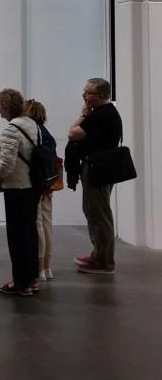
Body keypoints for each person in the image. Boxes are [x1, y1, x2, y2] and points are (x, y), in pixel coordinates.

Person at [68, 77, 123, 274]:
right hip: (100, 168)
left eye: (88, 93)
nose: (84, 96)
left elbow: (73, 133)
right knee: (94, 212)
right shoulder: (104, 113)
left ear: (101, 95)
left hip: (98, 169)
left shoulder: (101, 114)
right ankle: (98, 256)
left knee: (99, 215)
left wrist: (83, 114)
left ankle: (103, 261)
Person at [0, 88, 40, 297]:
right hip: (32, 186)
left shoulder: (11, 130)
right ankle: (32, 279)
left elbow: (7, 161)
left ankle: (20, 283)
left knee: (17, 236)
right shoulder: (31, 124)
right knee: (30, 233)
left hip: (16, 188)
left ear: (6, 107)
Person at [24, 99, 58, 280]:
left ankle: (38, 268)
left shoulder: (34, 133)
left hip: (36, 184)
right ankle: (47, 267)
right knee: (47, 224)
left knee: (37, 226)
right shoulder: (47, 134)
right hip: (49, 184)